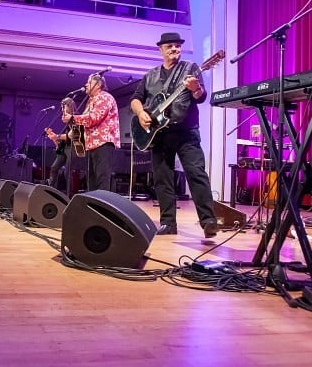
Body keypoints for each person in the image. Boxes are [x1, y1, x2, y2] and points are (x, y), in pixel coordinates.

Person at [130, 33, 218, 238]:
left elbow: (201, 97)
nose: (174, 49)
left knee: (196, 173)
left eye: (178, 46)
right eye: (170, 46)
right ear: (161, 49)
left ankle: (209, 221)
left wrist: (195, 88)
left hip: (186, 132)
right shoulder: (150, 75)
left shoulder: (191, 69)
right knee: (162, 178)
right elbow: (136, 99)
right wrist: (141, 112)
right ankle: (168, 223)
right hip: (159, 134)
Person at [62, 73, 119, 192]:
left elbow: (94, 118)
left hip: (103, 143)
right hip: (90, 144)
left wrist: (72, 118)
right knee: (91, 181)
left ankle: (103, 208)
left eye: (89, 82)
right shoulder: (90, 101)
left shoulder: (104, 97)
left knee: (101, 180)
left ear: (98, 85)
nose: (85, 85)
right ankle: (93, 208)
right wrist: (71, 121)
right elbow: (84, 123)